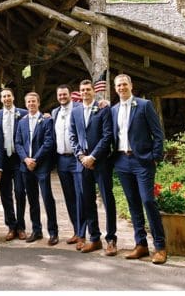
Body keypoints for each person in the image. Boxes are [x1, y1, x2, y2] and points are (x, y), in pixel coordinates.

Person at [112, 74, 168, 264]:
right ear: (115, 88)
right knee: (133, 203)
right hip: (122, 161)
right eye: (118, 85)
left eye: (124, 84)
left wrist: (155, 158)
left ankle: (160, 247)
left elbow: (158, 134)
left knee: (148, 201)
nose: (121, 88)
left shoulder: (144, 105)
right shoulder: (113, 110)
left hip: (142, 161)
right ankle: (141, 245)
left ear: (131, 85)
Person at [71, 79, 117, 255]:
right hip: (82, 164)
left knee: (107, 199)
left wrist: (93, 156)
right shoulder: (75, 112)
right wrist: (82, 156)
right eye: (82, 90)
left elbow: (107, 136)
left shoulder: (103, 109)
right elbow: (72, 136)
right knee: (87, 201)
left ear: (93, 91)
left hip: (101, 162)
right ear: (79, 92)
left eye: (88, 89)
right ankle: (94, 238)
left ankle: (111, 239)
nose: (85, 92)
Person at [16, 92, 58, 245]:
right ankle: (36, 230)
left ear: (38, 103)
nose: (31, 104)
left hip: (42, 166)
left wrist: (36, 159)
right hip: (26, 166)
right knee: (32, 200)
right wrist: (26, 159)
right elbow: (18, 143)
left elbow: (49, 142)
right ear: (26, 104)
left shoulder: (46, 120)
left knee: (47, 198)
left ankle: (53, 232)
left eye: (34, 101)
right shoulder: (22, 122)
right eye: (29, 102)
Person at [0, 88, 28, 241]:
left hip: (18, 158)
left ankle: (21, 226)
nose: (6, 98)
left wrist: (46, 116)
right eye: (4, 96)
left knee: (20, 192)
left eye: (9, 96)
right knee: (6, 194)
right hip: (3, 159)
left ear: (13, 97)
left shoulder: (23, 113)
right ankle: (11, 226)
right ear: (1, 99)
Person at [49, 85, 84, 247]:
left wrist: (103, 102)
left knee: (80, 196)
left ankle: (83, 234)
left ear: (70, 95)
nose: (62, 97)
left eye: (65, 94)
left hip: (77, 158)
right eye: (60, 95)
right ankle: (76, 231)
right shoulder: (55, 113)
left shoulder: (79, 107)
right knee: (69, 197)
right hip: (61, 159)